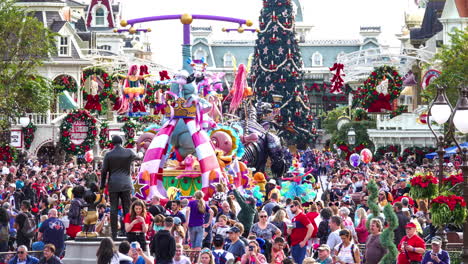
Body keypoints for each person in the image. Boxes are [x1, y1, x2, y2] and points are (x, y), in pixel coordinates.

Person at [101, 135, 140, 239]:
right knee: (127, 208)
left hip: (113, 184)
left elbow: (104, 171)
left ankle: (114, 234)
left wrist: (101, 186)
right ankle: (128, 231)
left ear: (112, 143)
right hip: (126, 183)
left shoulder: (108, 155)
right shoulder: (129, 152)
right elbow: (139, 156)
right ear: (122, 142)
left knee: (113, 209)